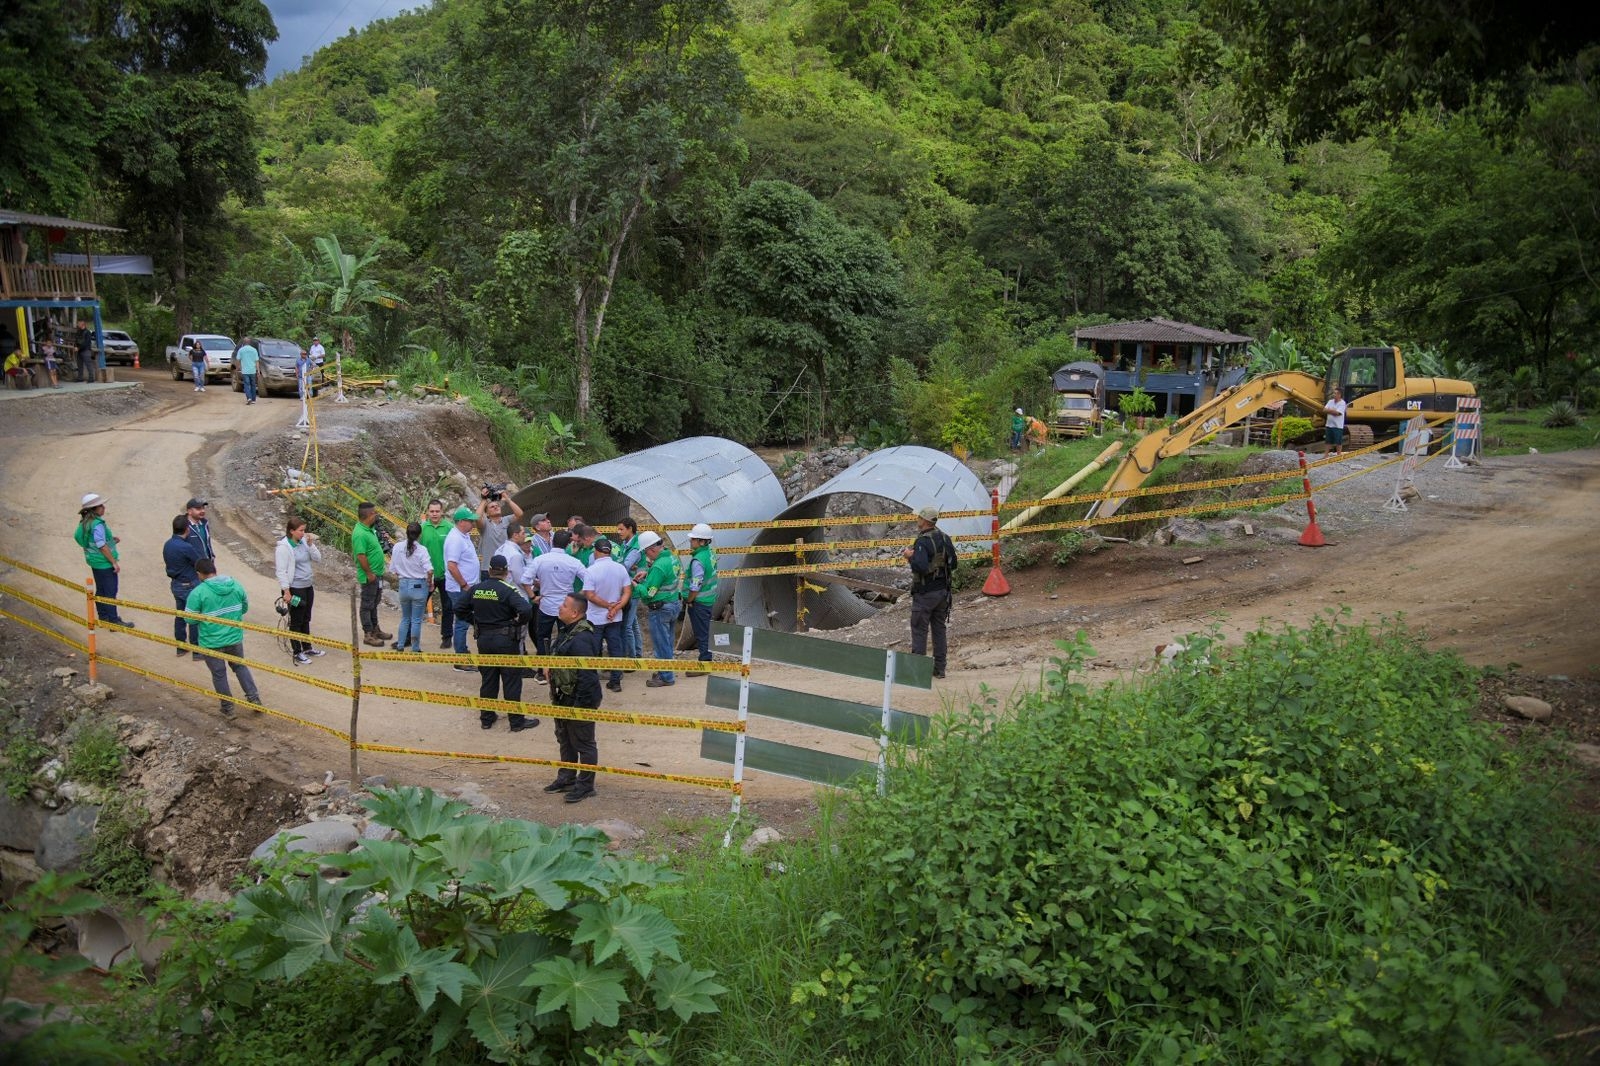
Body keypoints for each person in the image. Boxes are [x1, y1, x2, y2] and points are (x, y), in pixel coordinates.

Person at [456, 554, 536, 732]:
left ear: (490, 570)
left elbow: (458, 608)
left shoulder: (477, 589)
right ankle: (516, 722)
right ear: (506, 572)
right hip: (506, 640)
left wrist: (474, 621)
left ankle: (487, 718)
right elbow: (526, 609)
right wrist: (515, 623)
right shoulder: (508, 590)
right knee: (511, 680)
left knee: (488, 679)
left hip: (484, 639)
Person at [544, 592, 601, 803]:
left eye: (565, 606)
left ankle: (586, 786)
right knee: (565, 739)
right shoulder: (567, 631)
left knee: (584, 743)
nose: (560, 608)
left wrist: (580, 705)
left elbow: (587, 676)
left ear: (575, 613)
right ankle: (567, 777)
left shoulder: (582, 638)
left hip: (580, 698)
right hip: (563, 695)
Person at [186, 557, 261, 717]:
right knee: (240, 667)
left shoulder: (198, 592)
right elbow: (244, 607)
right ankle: (254, 699)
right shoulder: (236, 585)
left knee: (219, 674)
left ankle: (228, 708)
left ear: (199, 574)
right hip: (234, 637)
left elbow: (190, 619)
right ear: (215, 570)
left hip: (211, 641)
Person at [903, 505, 957, 679]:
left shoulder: (922, 541)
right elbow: (953, 563)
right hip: (943, 593)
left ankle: (918, 672)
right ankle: (940, 669)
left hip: (925, 594)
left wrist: (909, 557)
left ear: (925, 520)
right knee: (939, 630)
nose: (917, 520)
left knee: (919, 630)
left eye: (919, 517)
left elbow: (920, 566)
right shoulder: (945, 538)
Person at [527, 529, 585, 684]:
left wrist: (533, 596)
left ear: (552, 542)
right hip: (566, 606)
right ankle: (563, 671)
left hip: (546, 605)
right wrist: (577, 596)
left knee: (542, 638)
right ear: (568, 544)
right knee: (566, 637)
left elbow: (524, 578)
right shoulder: (573, 562)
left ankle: (541, 672)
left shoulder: (540, 560)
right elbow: (589, 579)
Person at [74, 493, 133, 628]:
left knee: (101, 590)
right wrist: (113, 562)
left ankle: (103, 617)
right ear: (94, 508)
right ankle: (113, 621)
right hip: (104, 563)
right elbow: (100, 545)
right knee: (110, 591)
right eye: (101, 505)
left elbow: (84, 539)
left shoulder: (85, 523)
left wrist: (111, 542)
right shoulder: (97, 524)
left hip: (95, 562)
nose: (103, 507)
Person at [581, 537, 631, 692]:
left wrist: (607, 606)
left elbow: (589, 595)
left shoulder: (591, 570)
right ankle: (616, 681)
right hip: (615, 617)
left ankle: (592, 681)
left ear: (596, 551)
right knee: (616, 648)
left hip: (595, 618)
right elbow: (627, 592)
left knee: (594, 649)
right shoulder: (620, 568)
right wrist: (615, 608)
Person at [274, 516, 322, 665]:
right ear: (292, 531)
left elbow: (318, 558)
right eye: (301, 530)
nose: (304, 533)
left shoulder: (304, 543)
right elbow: (281, 571)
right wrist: (286, 592)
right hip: (295, 588)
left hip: (308, 586)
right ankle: (297, 651)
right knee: (296, 620)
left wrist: (310, 544)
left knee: (306, 618)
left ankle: (307, 647)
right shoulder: (283, 548)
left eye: (304, 530)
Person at [636, 532, 681, 688]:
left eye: (645, 552)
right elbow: (666, 576)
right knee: (667, 641)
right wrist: (649, 573)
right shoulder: (671, 558)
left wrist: (637, 585)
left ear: (651, 549)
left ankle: (666, 677)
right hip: (673, 605)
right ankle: (665, 671)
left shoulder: (659, 566)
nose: (646, 555)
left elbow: (649, 593)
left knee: (661, 643)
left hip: (660, 609)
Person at [443, 505, 481, 668]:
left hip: (465, 587)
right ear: (461, 522)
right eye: (470, 521)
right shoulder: (455, 539)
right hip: (460, 588)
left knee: (463, 621)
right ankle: (460, 659)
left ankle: (463, 651)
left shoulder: (462, 536)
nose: (473, 523)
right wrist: (464, 585)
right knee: (461, 622)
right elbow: (452, 566)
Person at [164, 514, 205, 656]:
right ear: (187, 529)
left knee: (180, 615)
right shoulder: (186, 547)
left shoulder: (168, 544)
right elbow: (198, 563)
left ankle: (180, 646)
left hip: (176, 584)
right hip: (189, 584)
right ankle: (197, 649)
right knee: (194, 616)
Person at [390, 520, 432, 653]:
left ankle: (400, 645)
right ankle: (415, 647)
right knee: (416, 620)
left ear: (406, 533)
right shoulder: (422, 550)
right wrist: (430, 582)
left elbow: (393, 569)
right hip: (419, 585)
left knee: (405, 618)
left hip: (403, 584)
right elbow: (429, 570)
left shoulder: (397, 547)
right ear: (420, 535)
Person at [351, 501, 389, 646]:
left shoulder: (369, 529)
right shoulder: (360, 533)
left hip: (376, 574)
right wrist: (369, 573)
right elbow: (361, 556)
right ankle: (368, 634)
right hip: (369, 576)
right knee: (367, 604)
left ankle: (375, 629)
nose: (376, 515)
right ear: (369, 515)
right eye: (375, 513)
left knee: (374, 602)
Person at [682, 523, 718, 676]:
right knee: (705, 631)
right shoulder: (710, 554)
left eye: (693, 539)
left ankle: (704, 663)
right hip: (708, 600)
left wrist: (689, 600)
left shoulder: (698, 560)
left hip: (699, 602)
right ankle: (706, 660)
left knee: (702, 633)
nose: (691, 542)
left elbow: (695, 585)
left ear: (702, 541)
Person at [417, 499, 453, 648]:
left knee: (448, 607)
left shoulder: (450, 528)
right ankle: (409, 637)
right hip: (426, 576)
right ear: (427, 512)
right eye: (432, 511)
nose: (434, 514)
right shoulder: (422, 528)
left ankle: (447, 637)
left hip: (446, 576)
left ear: (442, 512)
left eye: (437, 511)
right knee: (418, 607)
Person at [613, 518, 644, 663]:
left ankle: (631, 660)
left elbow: (623, 566)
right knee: (633, 624)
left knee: (626, 627)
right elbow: (623, 564)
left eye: (621, 529)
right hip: (629, 588)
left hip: (631, 590)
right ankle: (637, 653)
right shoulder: (626, 545)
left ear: (630, 528)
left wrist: (623, 566)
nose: (618, 532)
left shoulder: (635, 548)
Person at [476, 484, 523, 567]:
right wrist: (484, 499)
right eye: (492, 507)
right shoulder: (485, 524)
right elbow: (477, 518)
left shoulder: (506, 520)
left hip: (505, 566)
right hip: (488, 568)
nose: (496, 507)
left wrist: (507, 499)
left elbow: (519, 514)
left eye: (497, 506)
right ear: (487, 513)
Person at [183, 497, 215, 562]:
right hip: (193, 567)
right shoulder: (183, 525)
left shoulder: (204, 524)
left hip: (207, 565)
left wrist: (211, 557)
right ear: (189, 511)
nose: (202, 511)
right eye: (198, 509)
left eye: (203, 508)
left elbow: (207, 543)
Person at [1324, 387, 1348, 457]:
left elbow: (1338, 413)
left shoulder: (1342, 403)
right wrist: (1333, 411)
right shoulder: (1330, 401)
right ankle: (1325, 455)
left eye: (1335, 393)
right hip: (1329, 424)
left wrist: (1330, 410)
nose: (1333, 394)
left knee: (1338, 441)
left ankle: (1338, 455)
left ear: (1339, 394)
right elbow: (1324, 410)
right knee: (1328, 441)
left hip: (1337, 425)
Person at [236, 337, 260, 404]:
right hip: (253, 370)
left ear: (243, 343)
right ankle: (254, 400)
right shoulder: (254, 350)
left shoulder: (241, 350)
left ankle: (249, 398)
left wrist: (238, 367)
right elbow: (257, 361)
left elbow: (238, 359)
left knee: (246, 385)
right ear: (250, 343)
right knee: (253, 385)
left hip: (245, 371)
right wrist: (258, 370)